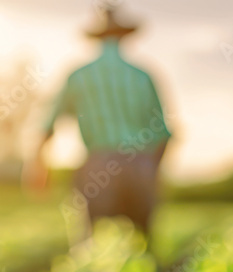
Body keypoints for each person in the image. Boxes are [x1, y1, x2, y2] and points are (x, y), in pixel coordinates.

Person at [25, 4, 172, 241]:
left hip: (98, 164)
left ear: (96, 38)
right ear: (124, 37)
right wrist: (151, 171)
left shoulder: (79, 75)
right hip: (141, 164)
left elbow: (48, 123)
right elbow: (163, 133)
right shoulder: (143, 76)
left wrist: (38, 164)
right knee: (141, 243)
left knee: (93, 243)